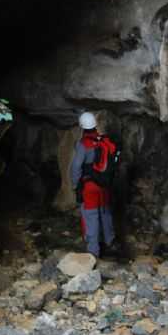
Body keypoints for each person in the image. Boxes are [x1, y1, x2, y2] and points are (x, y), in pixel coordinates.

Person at [70, 111, 117, 259]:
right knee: (105, 213)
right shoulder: (104, 140)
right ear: (95, 126)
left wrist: (75, 184)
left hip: (89, 186)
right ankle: (110, 242)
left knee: (91, 216)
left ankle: (93, 252)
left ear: (82, 127)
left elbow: (76, 166)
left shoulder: (83, 144)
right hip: (104, 185)